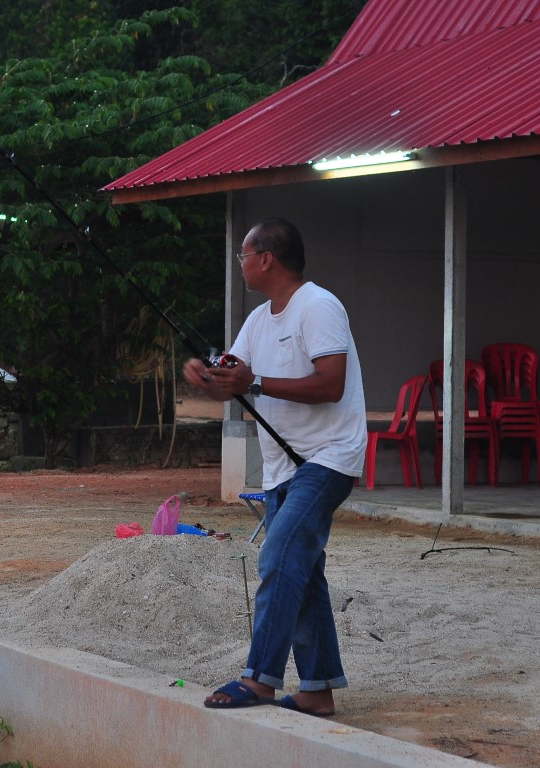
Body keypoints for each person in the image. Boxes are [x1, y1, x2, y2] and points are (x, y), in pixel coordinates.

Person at [182, 216, 366, 717]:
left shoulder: (319, 307)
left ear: (266, 258)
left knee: (279, 555)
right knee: (303, 573)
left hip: (328, 457)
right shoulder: (260, 318)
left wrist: (253, 381)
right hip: (284, 466)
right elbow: (235, 377)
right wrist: (205, 376)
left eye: (243, 254)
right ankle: (317, 689)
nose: (239, 263)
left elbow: (330, 384)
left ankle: (260, 678)